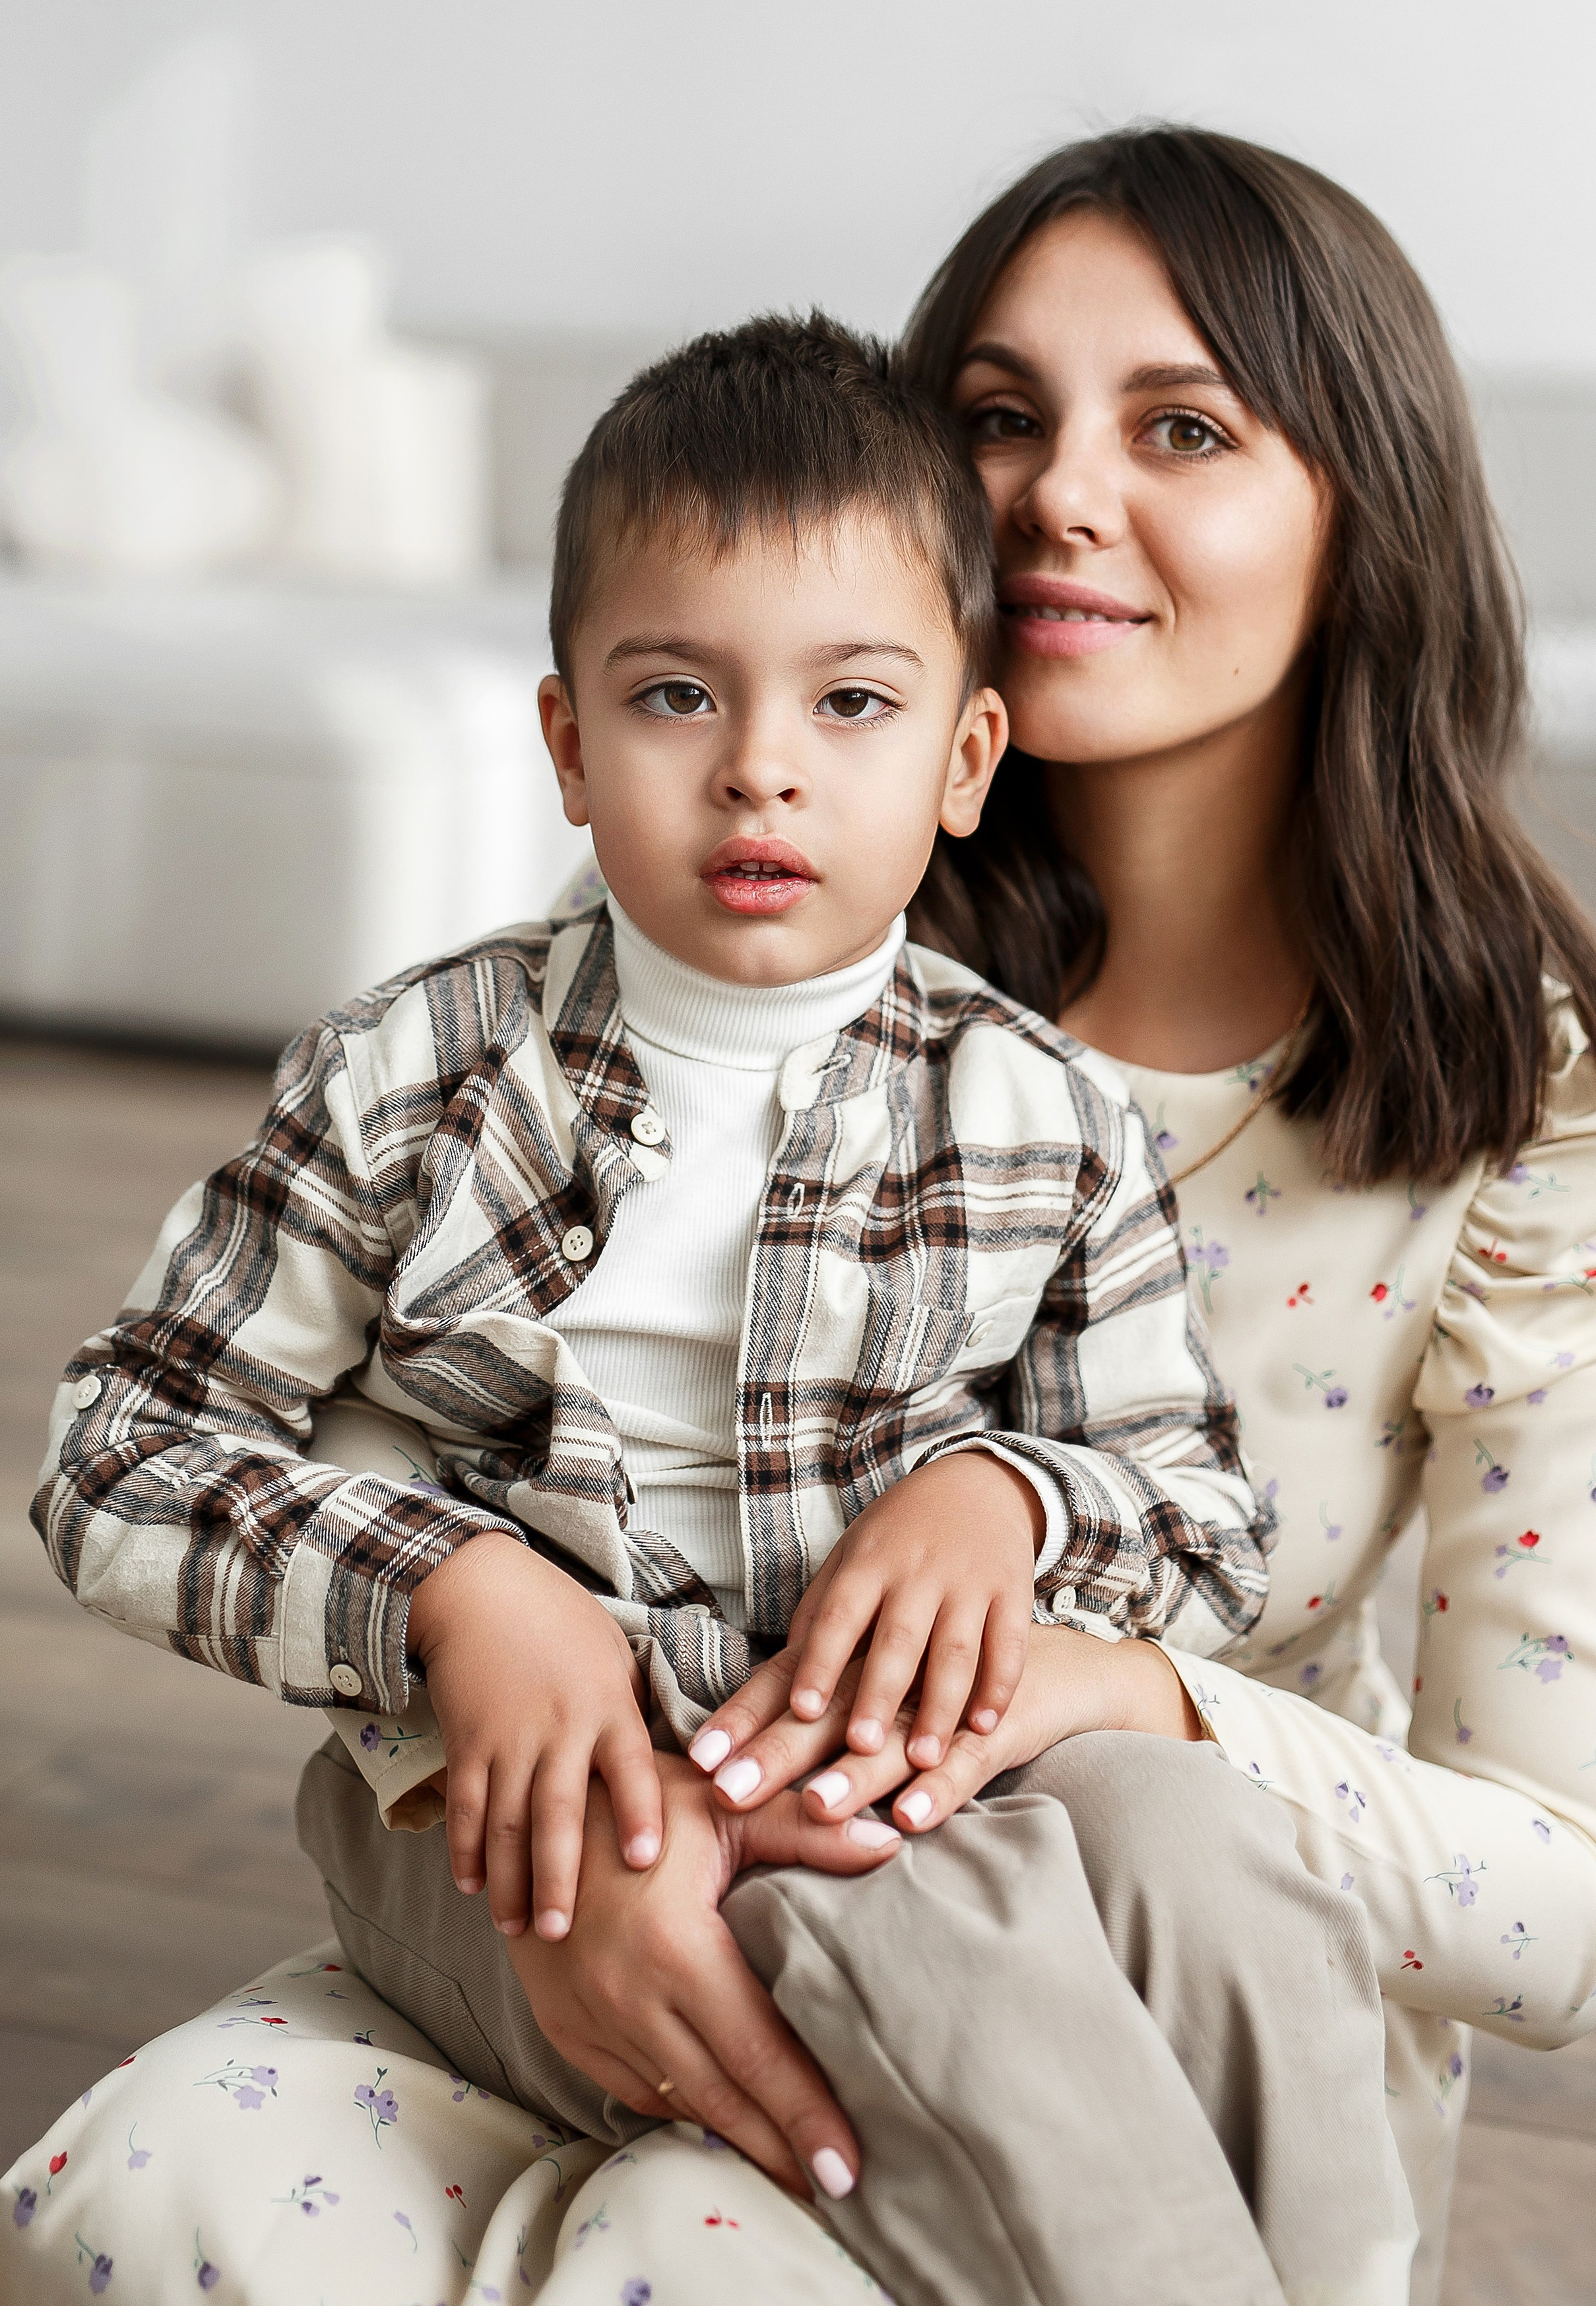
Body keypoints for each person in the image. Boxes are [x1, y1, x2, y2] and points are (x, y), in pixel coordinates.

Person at [9, 313, 1414, 2306]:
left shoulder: (1041, 1117)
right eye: (678, 693)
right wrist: (455, 1586)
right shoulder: (412, 1077)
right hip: (516, 1823)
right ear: (571, 741)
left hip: (885, 1770)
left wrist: (1009, 1499)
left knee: (1205, 1845)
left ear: (963, 759)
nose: (761, 763)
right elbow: (119, 1451)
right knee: (927, 1924)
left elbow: (1205, 1525)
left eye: (852, 702)